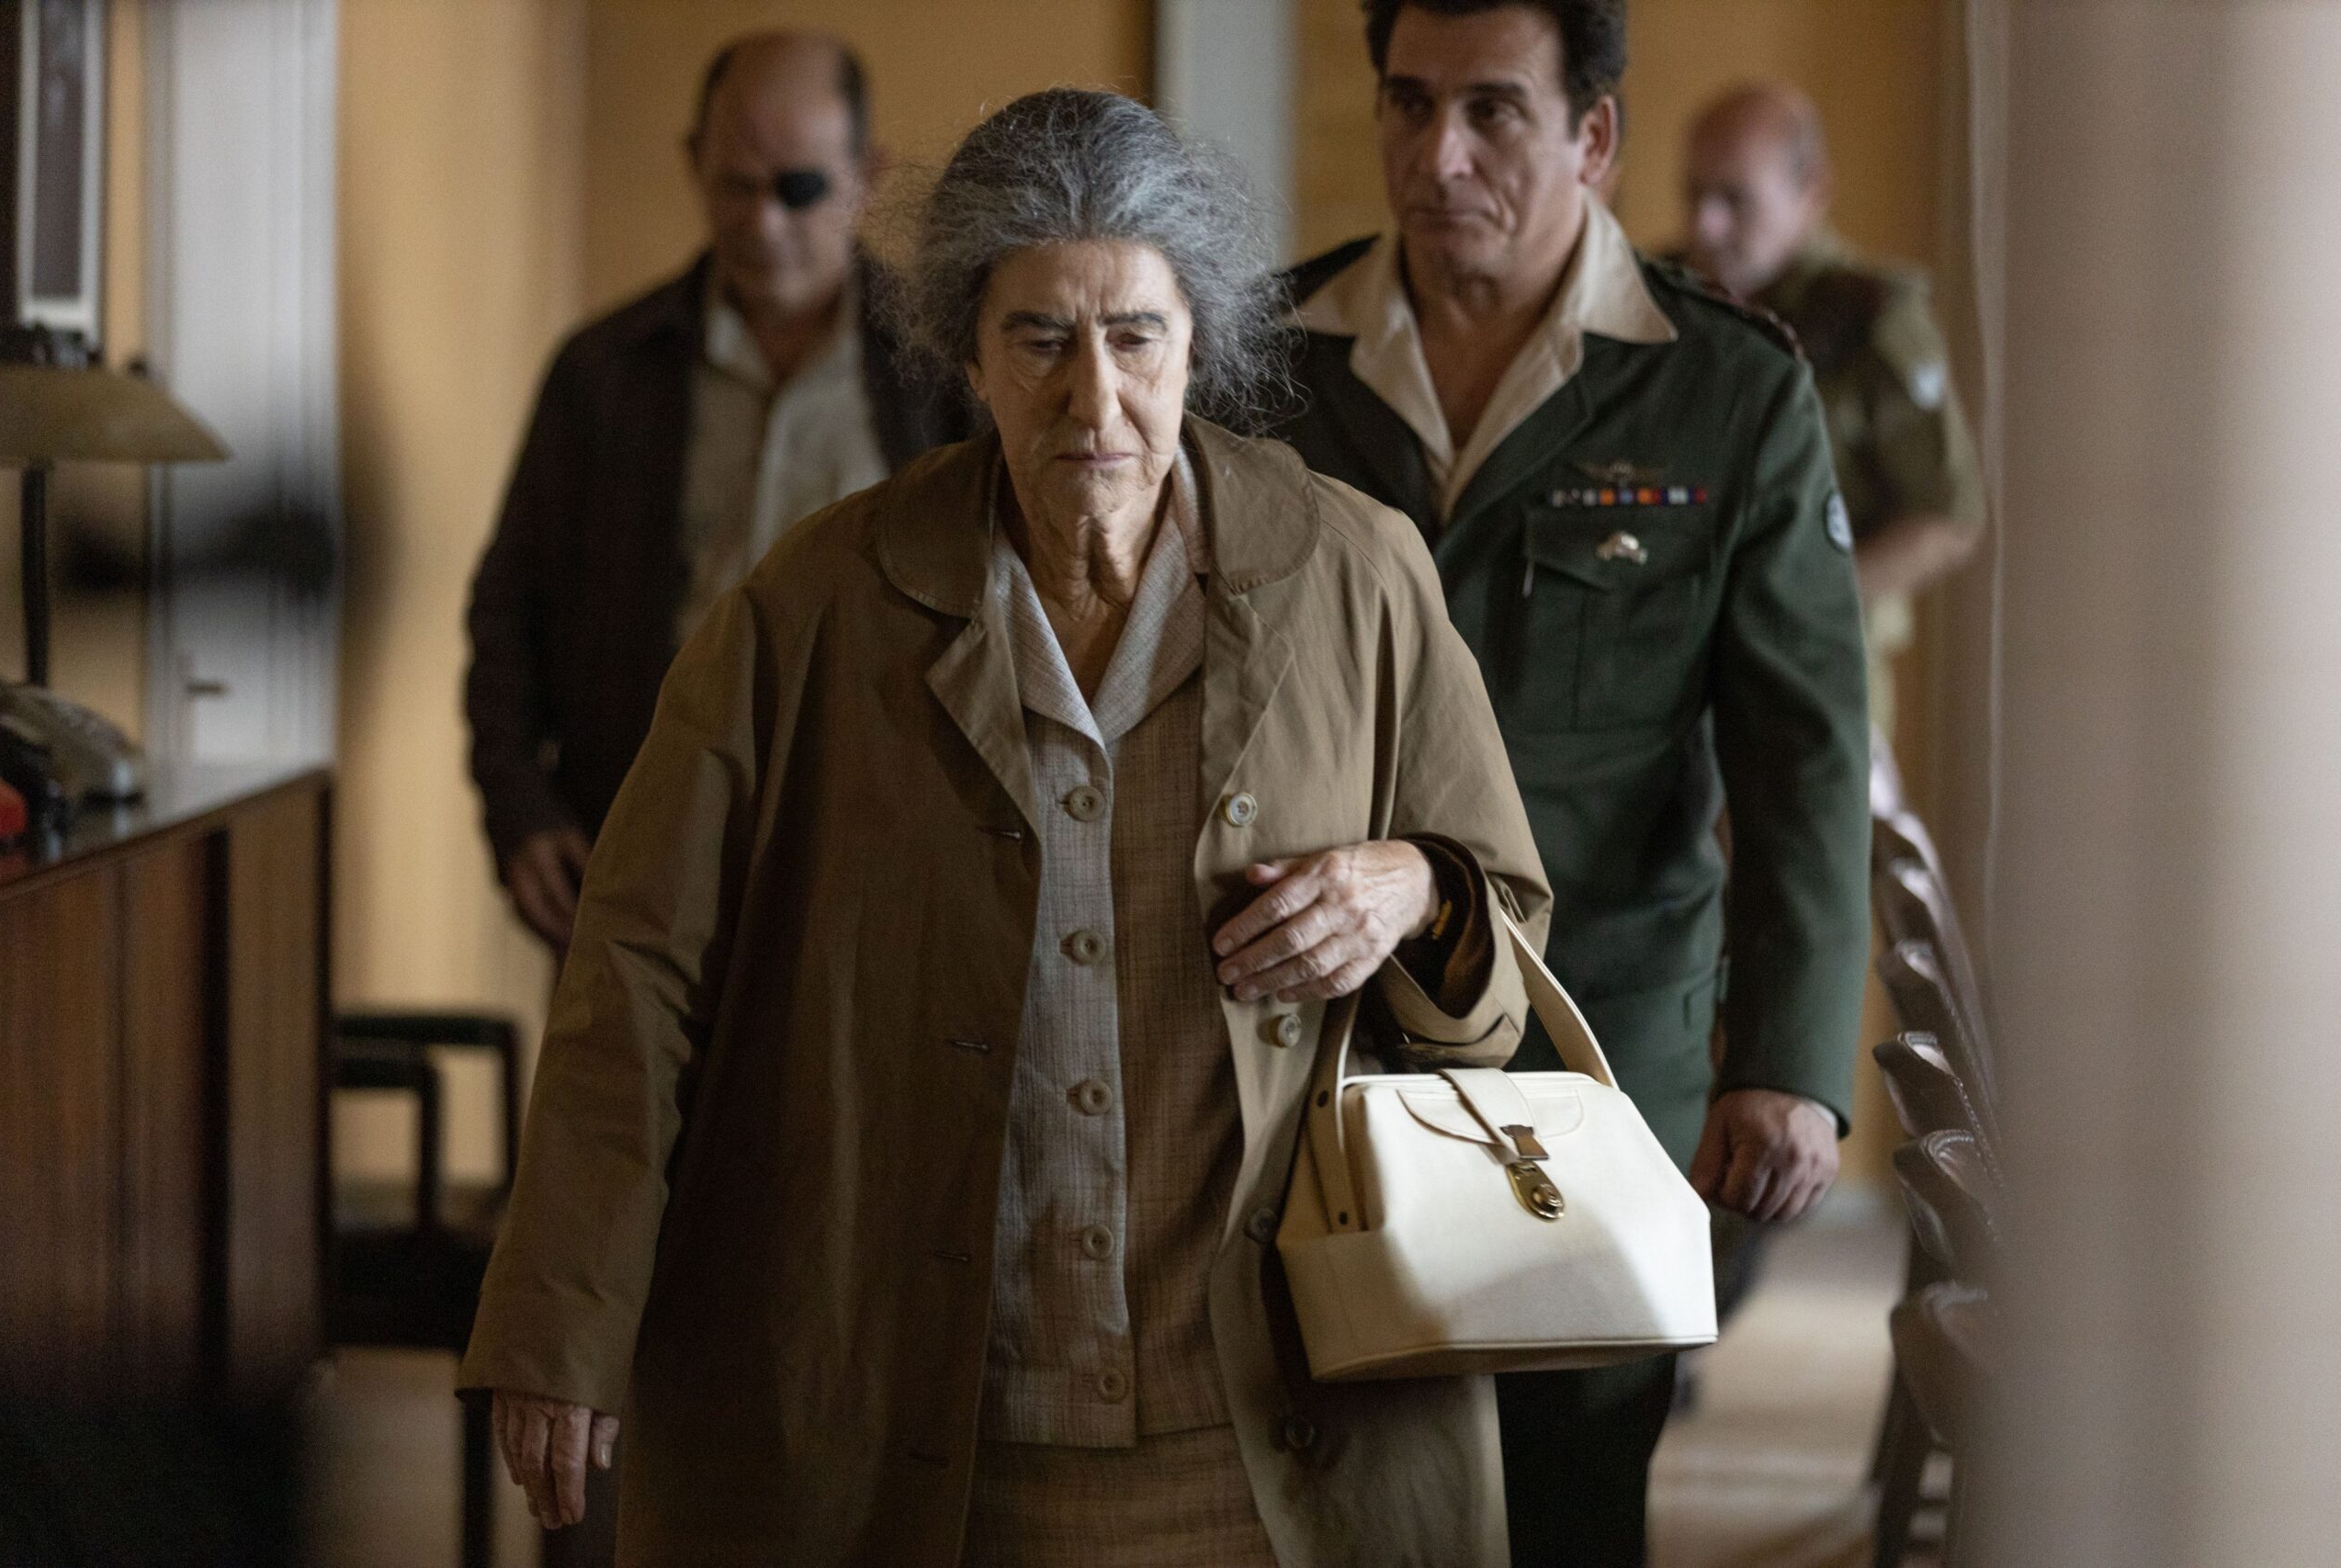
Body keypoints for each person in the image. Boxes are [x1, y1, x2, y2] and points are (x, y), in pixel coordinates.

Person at [459, 87, 1555, 1566]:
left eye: (1134, 337)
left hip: (1273, 1432)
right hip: (935, 1432)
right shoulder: (813, 607)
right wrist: (561, 1315)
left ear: (1197, 343)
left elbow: (1502, 922)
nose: (1092, 400)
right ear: (966, 354)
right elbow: (640, 967)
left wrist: (1413, 885)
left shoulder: (1357, 573)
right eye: (1039, 339)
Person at [1264, 4, 1872, 1563]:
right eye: (1408, 103)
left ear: (1594, 137)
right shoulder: (1265, 361)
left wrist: (1789, 1058)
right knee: (1311, 1485)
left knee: (1568, 1495)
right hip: (1306, 1037)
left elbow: (1803, 755)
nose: (1437, 155)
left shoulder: (1726, 390)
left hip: (1592, 1046)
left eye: (1492, 111)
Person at [464, 32, 967, 955]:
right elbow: (509, 604)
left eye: (799, 188)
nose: (763, 222)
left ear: (866, 176)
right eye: (736, 184)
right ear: (693, 161)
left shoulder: (944, 377)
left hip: (883, 866)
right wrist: (519, 805)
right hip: (641, 854)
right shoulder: (604, 372)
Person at [1681, 80, 1985, 738]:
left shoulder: (1869, 319)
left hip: (1814, 677)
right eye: (1695, 195)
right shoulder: (1665, 298)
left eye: (1735, 200)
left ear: (1811, 191)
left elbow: (1947, 515)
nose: (1706, 226)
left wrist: (1799, 596)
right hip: (1674, 681)